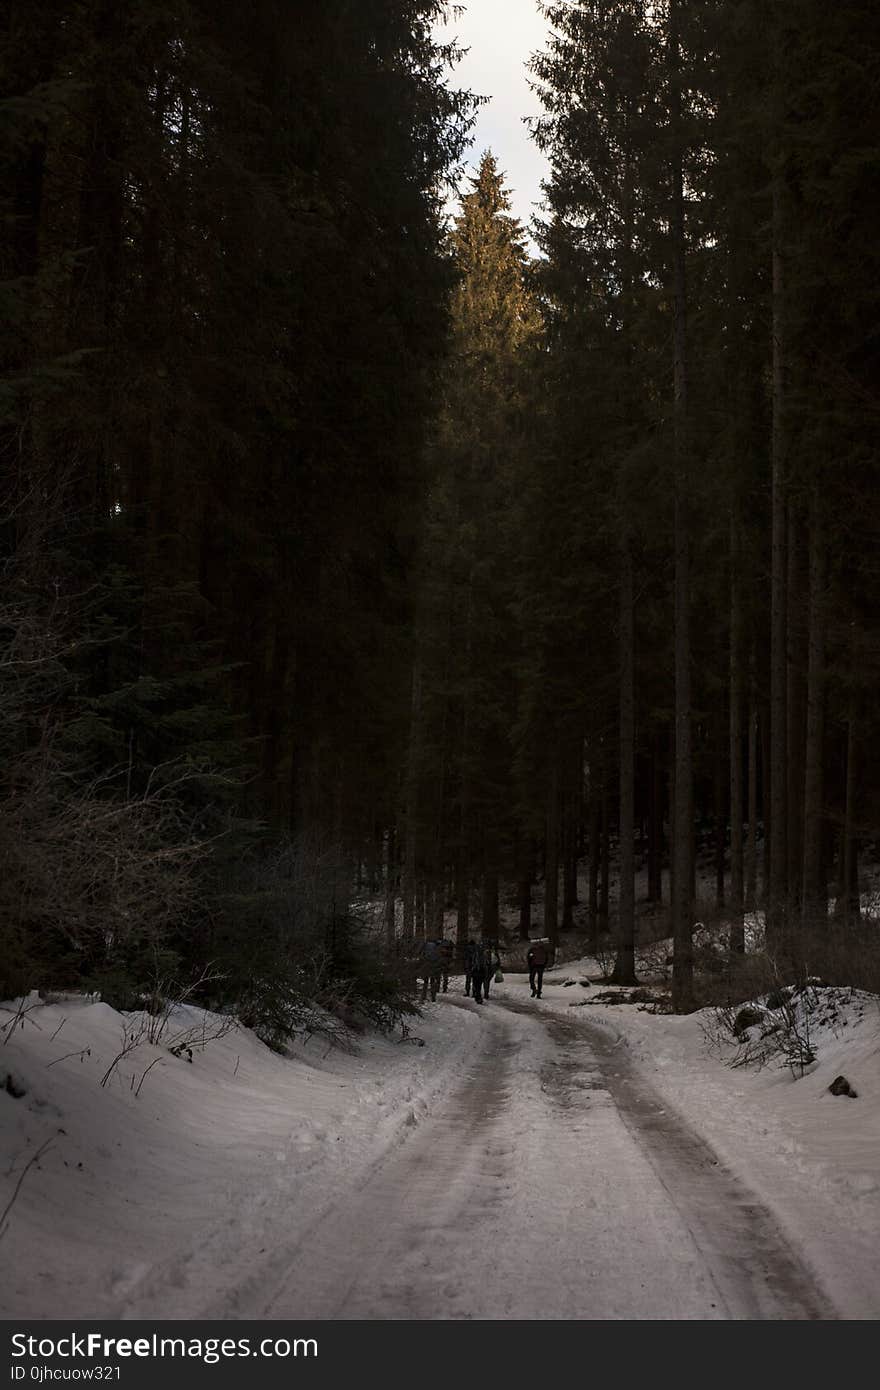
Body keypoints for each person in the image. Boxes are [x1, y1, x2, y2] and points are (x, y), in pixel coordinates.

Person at [420, 938, 443, 1003]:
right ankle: (433, 997)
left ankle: (423, 996)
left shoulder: (426, 945)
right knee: (432, 981)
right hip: (433, 966)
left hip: (426, 965)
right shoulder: (436, 948)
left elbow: (422, 954)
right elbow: (438, 957)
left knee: (426, 981)